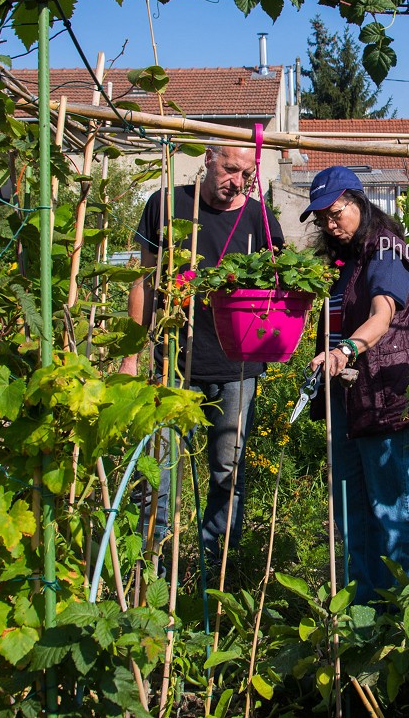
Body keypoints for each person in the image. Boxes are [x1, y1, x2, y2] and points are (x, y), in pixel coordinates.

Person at [121, 144, 284, 569]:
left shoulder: (258, 218)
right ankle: (149, 568)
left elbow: (280, 289)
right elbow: (144, 279)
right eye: (230, 169)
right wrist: (132, 354)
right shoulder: (168, 204)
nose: (237, 182)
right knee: (159, 469)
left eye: (247, 175)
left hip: (238, 367)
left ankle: (219, 568)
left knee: (227, 471)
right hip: (173, 359)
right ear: (208, 158)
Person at [304, 166, 409, 605]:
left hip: (384, 399)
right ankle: (364, 619)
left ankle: (403, 619)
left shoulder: (386, 248)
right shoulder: (345, 260)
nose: (330, 225)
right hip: (349, 402)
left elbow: (382, 314)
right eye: (322, 220)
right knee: (353, 515)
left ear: (357, 201)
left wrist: (345, 351)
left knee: (392, 516)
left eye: (335, 214)